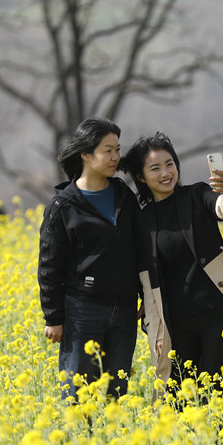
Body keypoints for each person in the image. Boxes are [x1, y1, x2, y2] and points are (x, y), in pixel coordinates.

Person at [121, 132, 223, 403]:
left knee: (219, 400)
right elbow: (145, 280)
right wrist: (155, 327)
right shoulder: (140, 220)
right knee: (179, 403)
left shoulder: (196, 195)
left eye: (170, 164)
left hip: (217, 318)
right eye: (155, 168)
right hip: (175, 325)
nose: (165, 172)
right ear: (140, 177)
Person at [38, 118, 143, 404]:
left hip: (124, 311)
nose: (115, 157)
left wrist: (147, 297)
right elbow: (49, 266)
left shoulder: (123, 195)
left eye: (117, 149)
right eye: (107, 150)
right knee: (77, 393)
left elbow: (141, 249)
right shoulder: (64, 206)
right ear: (86, 154)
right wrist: (53, 317)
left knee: (117, 395)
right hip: (82, 310)